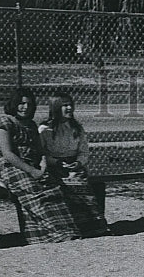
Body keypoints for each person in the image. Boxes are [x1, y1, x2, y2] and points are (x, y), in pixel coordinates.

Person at [0, 87, 82, 244]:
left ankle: (52, 233)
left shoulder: (31, 125)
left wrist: (42, 166)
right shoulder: (4, 123)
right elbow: (8, 154)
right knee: (34, 190)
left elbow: (40, 151)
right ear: (14, 104)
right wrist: (32, 171)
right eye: (21, 103)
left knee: (53, 188)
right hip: (13, 168)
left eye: (28, 104)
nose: (25, 107)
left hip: (33, 165)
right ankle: (57, 233)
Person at [38, 91, 110, 237]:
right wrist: (56, 162)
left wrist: (78, 163)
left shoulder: (76, 128)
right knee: (63, 188)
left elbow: (84, 151)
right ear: (55, 108)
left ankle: (93, 226)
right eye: (64, 105)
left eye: (70, 105)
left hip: (74, 165)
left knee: (80, 185)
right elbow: (41, 153)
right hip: (54, 166)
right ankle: (72, 226)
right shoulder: (45, 129)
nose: (69, 108)